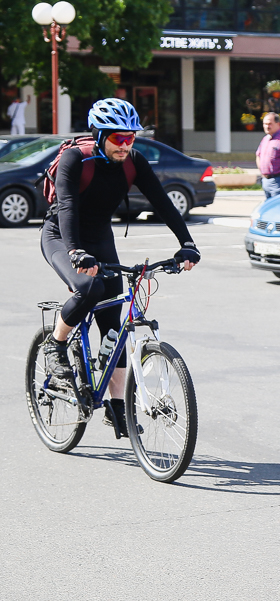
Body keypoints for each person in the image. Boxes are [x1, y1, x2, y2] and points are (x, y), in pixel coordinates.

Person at [41, 98, 201, 436]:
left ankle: (116, 408)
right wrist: (75, 252)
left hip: (99, 237)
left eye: (131, 138)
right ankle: (55, 344)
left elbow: (162, 202)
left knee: (113, 325)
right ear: (99, 135)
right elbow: (67, 207)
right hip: (61, 236)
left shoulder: (134, 162)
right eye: (118, 138)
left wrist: (186, 243)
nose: (126, 145)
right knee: (90, 288)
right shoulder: (75, 158)